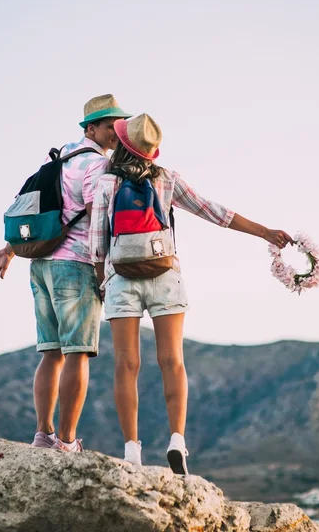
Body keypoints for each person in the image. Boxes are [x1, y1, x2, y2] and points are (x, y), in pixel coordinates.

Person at [89, 113, 292, 473]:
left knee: (126, 364)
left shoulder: (106, 183)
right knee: (172, 361)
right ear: (151, 151)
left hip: (121, 277)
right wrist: (265, 232)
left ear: (120, 143)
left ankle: (132, 450)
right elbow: (216, 213)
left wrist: (102, 280)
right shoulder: (166, 178)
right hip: (165, 273)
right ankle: (178, 441)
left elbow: (97, 244)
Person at [0, 94, 132, 452]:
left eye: (120, 125)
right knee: (78, 352)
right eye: (111, 125)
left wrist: (10, 250)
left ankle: (43, 435)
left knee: (51, 353)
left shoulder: (61, 157)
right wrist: (104, 270)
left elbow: (45, 210)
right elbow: (97, 217)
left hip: (41, 265)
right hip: (76, 264)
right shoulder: (96, 165)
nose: (117, 132)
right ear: (91, 128)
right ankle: (65, 441)